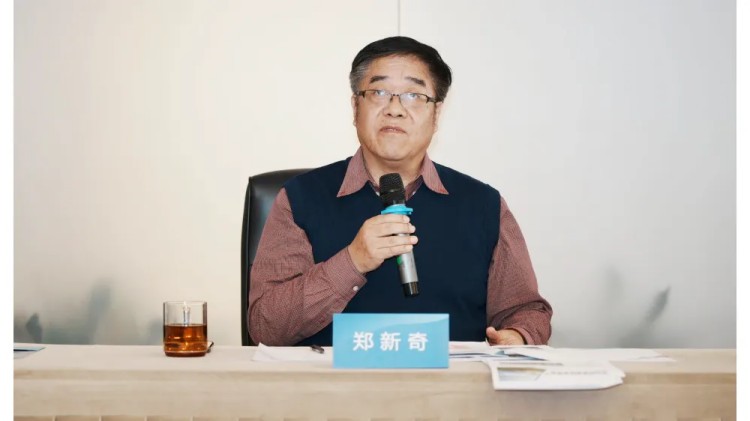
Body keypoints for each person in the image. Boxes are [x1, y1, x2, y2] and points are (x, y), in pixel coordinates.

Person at [248, 36, 552, 347]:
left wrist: (517, 336)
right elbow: (265, 326)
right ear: (355, 107)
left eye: (413, 95)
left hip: (450, 379)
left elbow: (526, 311)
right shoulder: (300, 198)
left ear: (436, 114)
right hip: (331, 379)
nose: (395, 109)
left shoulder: (484, 205)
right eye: (378, 92)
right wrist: (352, 261)